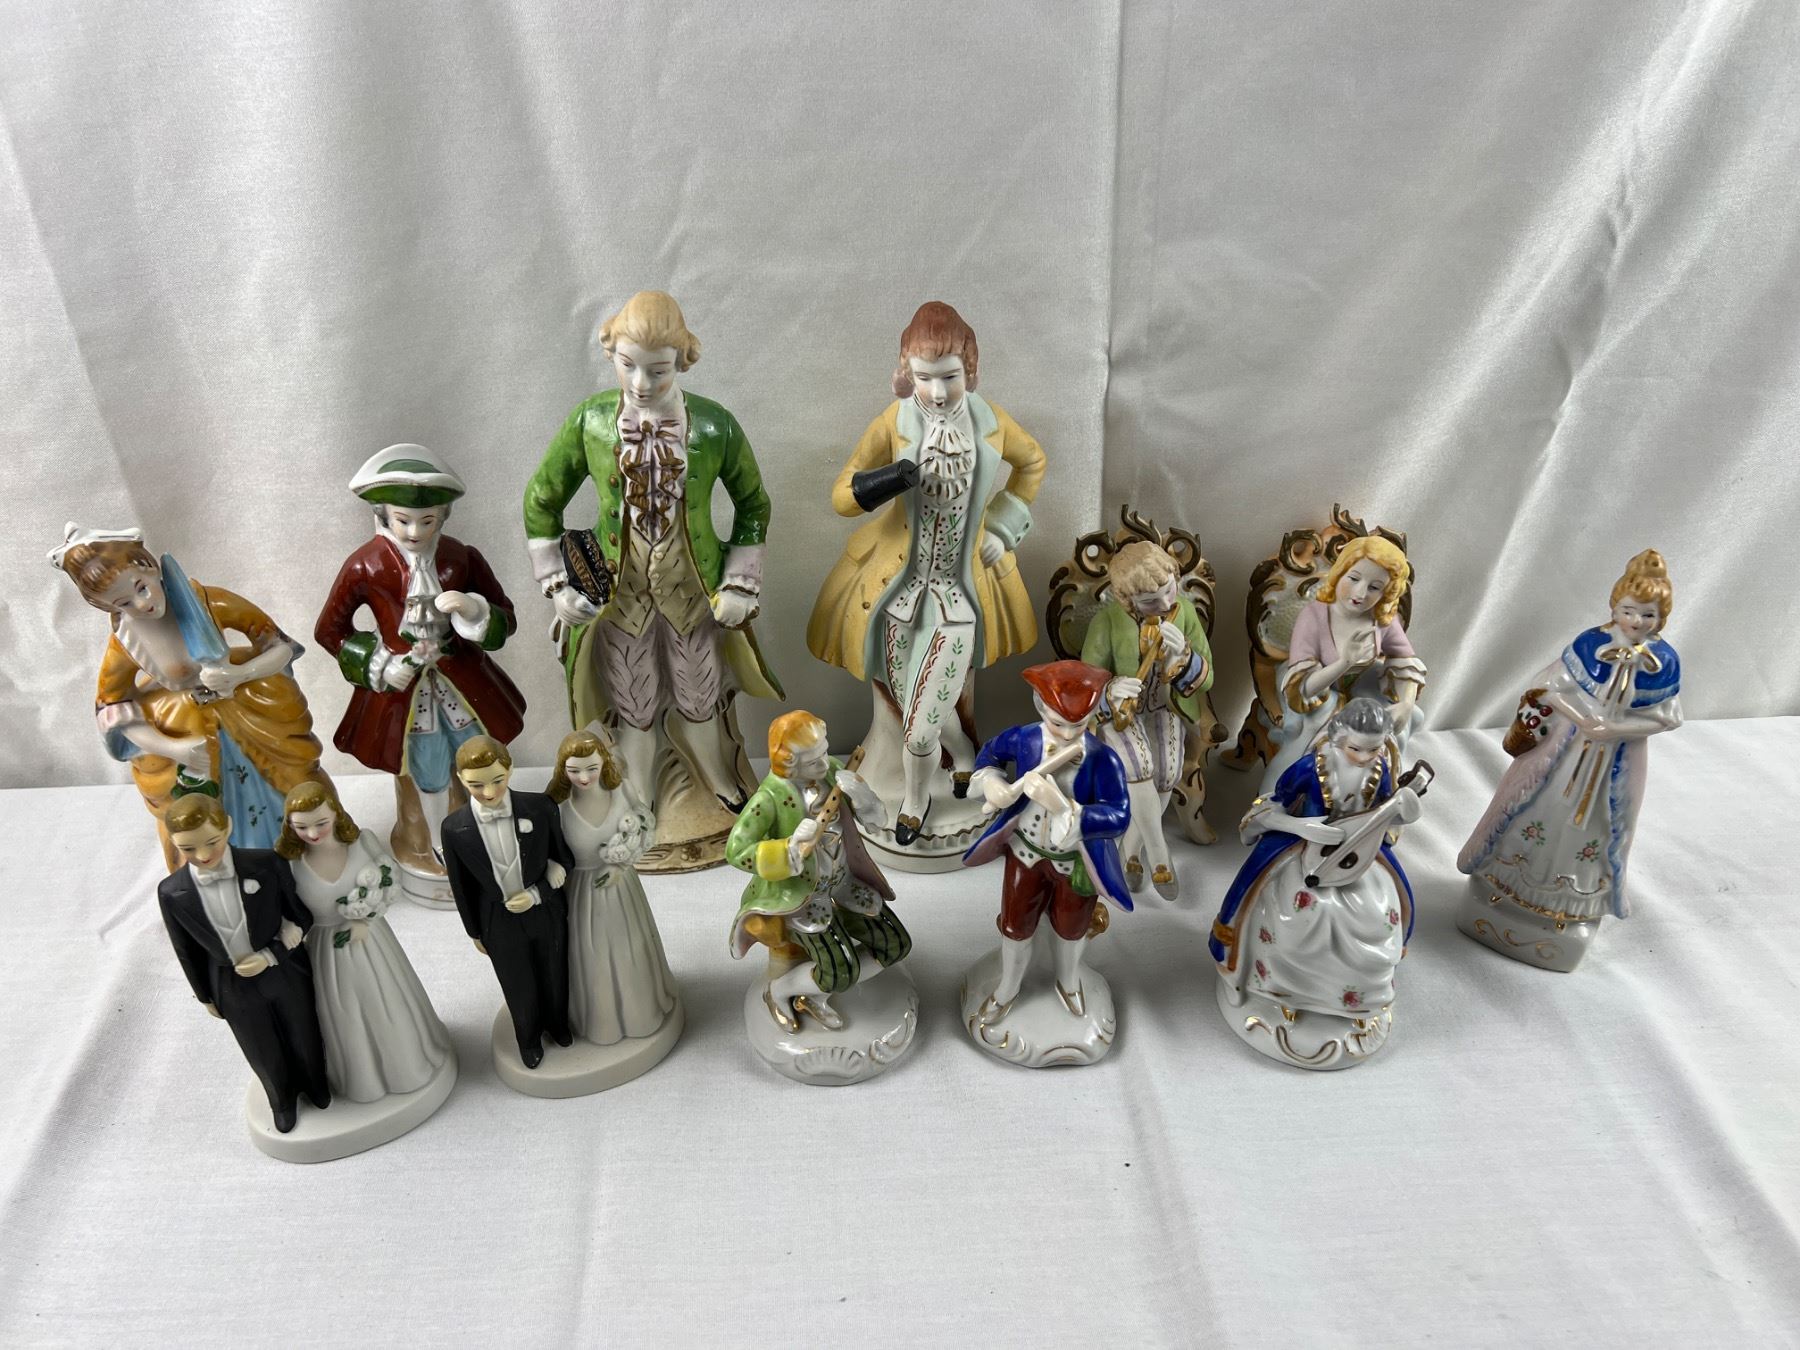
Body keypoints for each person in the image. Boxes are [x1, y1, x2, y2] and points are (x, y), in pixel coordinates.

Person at [523, 291, 781, 827]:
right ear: (611, 353)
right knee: (632, 698)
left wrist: (739, 583)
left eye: (658, 371)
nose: (641, 383)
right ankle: (637, 790)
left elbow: (754, 504)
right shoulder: (591, 421)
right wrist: (557, 584)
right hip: (622, 594)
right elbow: (541, 500)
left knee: (699, 690)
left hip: (692, 590)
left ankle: (716, 776)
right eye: (628, 366)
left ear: (682, 360)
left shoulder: (714, 426)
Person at [807, 301, 1045, 845]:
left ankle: (914, 803)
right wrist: (892, 478)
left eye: (950, 377)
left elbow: (1033, 463)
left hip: (960, 598)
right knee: (907, 700)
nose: (937, 393)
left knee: (919, 729)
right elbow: (842, 495)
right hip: (899, 593)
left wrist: (1003, 527)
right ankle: (963, 753)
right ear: (905, 372)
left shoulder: (991, 422)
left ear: (971, 369)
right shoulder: (895, 422)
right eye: (924, 377)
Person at [52, 523, 327, 870]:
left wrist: (241, 674)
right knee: (200, 808)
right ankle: (226, 869)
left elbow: (279, 646)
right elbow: (113, 709)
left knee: (290, 778)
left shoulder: (208, 602)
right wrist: (172, 748)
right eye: (124, 603)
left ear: (150, 567)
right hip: (188, 730)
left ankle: (303, 855)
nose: (143, 604)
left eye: (142, 587)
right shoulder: (126, 641)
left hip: (250, 711)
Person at [315, 446, 527, 893]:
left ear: (443, 517)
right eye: (403, 520)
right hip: (406, 693)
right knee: (426, 765)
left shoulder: (460, 558)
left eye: (427, 521)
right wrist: (379, 664)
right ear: (383, 516)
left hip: (463, 682)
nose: (415, 531)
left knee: (477, 753)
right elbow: (330, 630)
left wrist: (473, 610)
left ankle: (486, 828)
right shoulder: (365, 564)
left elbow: (505, 617)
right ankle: (435, 841)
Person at [1458, 550, 1682, 960]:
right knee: (1536, 808)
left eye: (1648, 615)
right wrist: (1584, 718)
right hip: (1565, 752)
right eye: (1629, 611)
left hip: (1613, 764)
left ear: (1660, 618)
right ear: (1615, 607)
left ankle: (1565, 909)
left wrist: (1617, 730)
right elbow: (1547, 686)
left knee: (1597, 827)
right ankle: (1504, 887)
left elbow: (1668, 717)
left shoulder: (1663, 663)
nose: (1636, 622)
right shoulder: (1590, 645)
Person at [1210, 698, 1420, 1027]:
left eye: (1373, 749)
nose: (1364, 757)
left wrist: (1405, 809)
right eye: (1356, 748)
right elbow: (1271, 808)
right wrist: (1302, 827)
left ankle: (1357, 1000)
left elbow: (1386, 813)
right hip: (1303, 853)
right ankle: (1282, 994)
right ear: (1338, 738)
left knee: (1377, 916)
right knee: (1296, 921)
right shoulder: (1311, 768)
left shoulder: (1379, 770)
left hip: (1358, 857)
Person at [962, 660, 1131, 1027]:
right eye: (1058, 723)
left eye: (1078, 725)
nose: (1068, 735)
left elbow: (1119, 814)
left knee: (1071, 929)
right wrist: (991, 782)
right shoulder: (1025, 739)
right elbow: (989, 754)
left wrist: (1065, 808)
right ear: (1040, 707)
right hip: (1025, 853)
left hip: (1074, 861)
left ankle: (1068, 982)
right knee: (1015, 926)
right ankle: (1008, 987)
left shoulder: (1103, 759)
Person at [156, 794, 329, 1133]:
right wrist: (205, 996)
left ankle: (317, 1085)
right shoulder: (171, 892)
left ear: (228, 827)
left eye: (211, 842)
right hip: (230, 984)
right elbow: (185, 950)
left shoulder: (267, 863)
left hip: (285, 972)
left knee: (304, 1030)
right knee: (259, 1047)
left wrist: (272, 954)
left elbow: (301, 916)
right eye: (188, 848)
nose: (203, 855)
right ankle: (281, 1100)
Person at [726, 711, 908, 1033]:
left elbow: (877, 822)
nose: (825, 764)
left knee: (894, 943)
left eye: (825, 752)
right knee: (841, 970)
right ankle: (779, 992)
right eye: (813, 761)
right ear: (789, 763)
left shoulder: (833, 771)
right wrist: (790, 848)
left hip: (844, 884)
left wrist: (863, 797)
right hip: (802, 898)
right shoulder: (769, 797)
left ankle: (813, 994)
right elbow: (736, 850)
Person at [275, 781, 452, 1102]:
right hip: (327, 952)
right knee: (344, 1014)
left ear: (335, 814)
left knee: (387, 1000)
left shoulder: (363, 843)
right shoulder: (289, 864)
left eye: (320, 823)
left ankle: (406, 1066)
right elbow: (283, 907)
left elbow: (389, 880)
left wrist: (366, 916)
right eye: (301, 827)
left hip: (371, 940)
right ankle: (360, 1080)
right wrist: (288, 926)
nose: (312, 833)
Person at [1080, 540, 1214, 899]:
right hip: (1122, 715)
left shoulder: (1184, 612)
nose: (1166, 604)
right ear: (1127, 601)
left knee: (1166, 774)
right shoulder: (1107, 621)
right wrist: (1111, 689)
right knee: (1139, 766)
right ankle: (1159, 856)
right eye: (1151, 601)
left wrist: (1182, 657)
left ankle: (1130, 851)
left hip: (1165, 707)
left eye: (1170, 590)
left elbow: (1208, 676)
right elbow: (1086, 679)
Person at [440, 736, 575, 1069]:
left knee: (555, 971)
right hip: (497, 921)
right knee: (517, 984)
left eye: (497, 780)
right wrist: (474, 932)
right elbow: (460, 886)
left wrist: (539, 892)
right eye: (476, 785)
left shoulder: (541, 807)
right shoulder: (454, 828)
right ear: (460, 779)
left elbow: (564, 860)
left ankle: (558, 1025)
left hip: (545, 912)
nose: (489, 792)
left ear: (511, 769)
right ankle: (528, 1040)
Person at [1263, 535, 1425, 795]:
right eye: (1354, 578)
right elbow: (1303, 688)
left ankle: (1373, 796)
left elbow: (1405, 662)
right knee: (1318, 737)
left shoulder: (1381, 619)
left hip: (1362, 690)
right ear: (1340, 573)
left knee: (1386, 729)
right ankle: (1283, 797)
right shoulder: (1314, 616)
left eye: (1375, 587)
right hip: (1315, 694)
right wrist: (1344, 662)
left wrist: (1405, 703)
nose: (1361, 593)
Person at [546, 730, 679, 1044]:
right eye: (574, 770)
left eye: (591, 768)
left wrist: (621, 865)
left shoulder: (622, 791)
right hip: (580, 894)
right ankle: (598, 1021)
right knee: (591, 957)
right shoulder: (556, 807)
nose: (583, 778)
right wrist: (551, 865)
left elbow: (646, 828)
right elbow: (544, 848)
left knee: (628, 948)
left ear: (603, 763)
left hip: (621, 889)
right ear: (562, 770)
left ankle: (640, 1012)